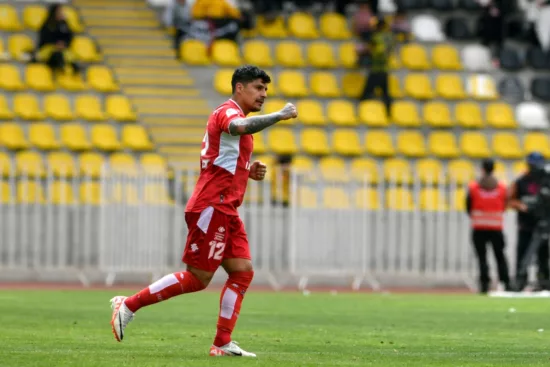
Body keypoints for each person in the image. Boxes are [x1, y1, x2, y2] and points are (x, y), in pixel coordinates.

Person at [109, 65, 298, 357]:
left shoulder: (237, 119)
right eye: (258, 88)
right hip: (212, 205)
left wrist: (249, 170)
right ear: (239, 87)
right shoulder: (227, 112)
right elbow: (238, 128)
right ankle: (129, 304)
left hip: (227, 208)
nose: (263, 95)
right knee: (198, 277)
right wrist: (279, 116)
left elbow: (219, 161)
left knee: (242, 272)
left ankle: (222, 342)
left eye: (265, 90)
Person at [465, 159, 511, 293]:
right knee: (500, 257)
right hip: (496, 228)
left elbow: (468, 206)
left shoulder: (474, 187)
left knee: (482, 258)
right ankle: (505, 283)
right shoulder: (502, 187)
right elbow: (504, 205)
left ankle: (484, 285)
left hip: (479, 227)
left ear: (483, 169)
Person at [508, 152, 550, 291]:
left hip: (543, 222)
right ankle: (521, 281)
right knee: (522, 253)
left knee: (543, 255)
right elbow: (510, 200)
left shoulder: (546, 180)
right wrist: (522, 206)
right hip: (525, 224)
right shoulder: (521, 181)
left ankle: (544, 281)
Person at [359, 18, 394, 114]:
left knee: (366, 93)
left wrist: (365, 51)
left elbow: (375, 50)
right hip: (384, 69)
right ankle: (389, 112)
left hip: (376, 69)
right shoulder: (389, 36)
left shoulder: (377, 37)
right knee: (385, 94)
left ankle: (361, 111)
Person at [34, 4, 78, 73]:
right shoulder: (47, 24)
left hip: (63, 48)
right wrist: (55, 44)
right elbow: (44, 37)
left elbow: (69, 36)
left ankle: (71, 69)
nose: (61, 13)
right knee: (55, 54)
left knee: (69, 56)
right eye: (59, 11)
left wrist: (64, 43)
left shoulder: (64, 24)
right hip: (48, 48)